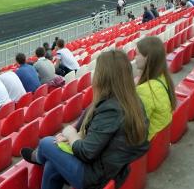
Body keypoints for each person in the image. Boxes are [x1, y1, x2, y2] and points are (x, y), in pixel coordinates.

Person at [20, 50, 149, 189]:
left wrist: (71, 134)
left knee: (46, 143)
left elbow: (86, 153)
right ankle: (42, 157)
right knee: (52, 165)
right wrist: (74, 134)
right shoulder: (131, 100)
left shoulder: (111, 109)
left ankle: (37, 157)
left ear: (104, 76)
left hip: (96, 176)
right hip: (110, 166)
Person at [135, 37, 176, 140]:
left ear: (147, 58)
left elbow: (136, 126)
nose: (134, 58)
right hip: (158, 140)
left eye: (137, 54)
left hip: (147, 141)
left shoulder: (146, 90)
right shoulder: (163, 78)